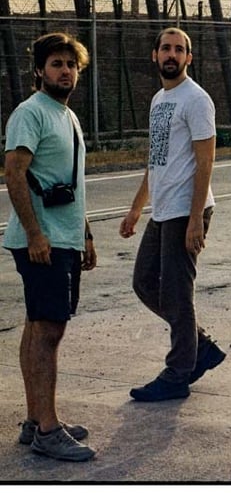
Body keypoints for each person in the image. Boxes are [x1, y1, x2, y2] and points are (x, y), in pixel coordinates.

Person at [4, 32, 97, 462]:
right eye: (57, 64)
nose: (65, 71)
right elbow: (14, 173)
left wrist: (86, 233)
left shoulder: (67, 116)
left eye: (71, 64)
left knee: (37, 326)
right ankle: (48, 429)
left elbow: (72, 181)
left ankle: (35, 418)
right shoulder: (31, 113)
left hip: (64, 237)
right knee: (49, 331)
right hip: (42, 240)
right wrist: (36, 233)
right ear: (39, 70)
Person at [119, 27, 225, 402]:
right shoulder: (158, 100)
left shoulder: (196, 100)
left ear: (188, 58)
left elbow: (205, 160)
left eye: (179, 49)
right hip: (163, 210)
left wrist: (196, 218)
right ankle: (201, 347)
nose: (172, 54)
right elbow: (156, 158)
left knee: (178, 293)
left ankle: (178, 373)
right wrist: (136, 207)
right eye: (166, 48)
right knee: (144, 282)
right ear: (155, 55)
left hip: (186, 209)